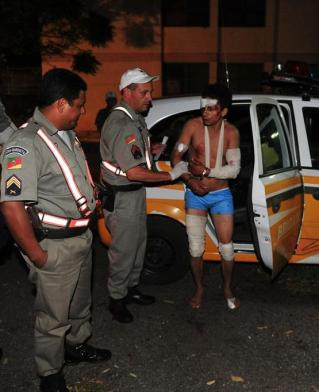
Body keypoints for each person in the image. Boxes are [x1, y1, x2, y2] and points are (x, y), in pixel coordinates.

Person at [0, 68, 111, 392]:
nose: (82, 111)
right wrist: (38, 255)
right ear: (62, 103)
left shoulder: (64, 134)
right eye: (79, 105)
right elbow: (11, 205)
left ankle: (76, 346)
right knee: (52, 317)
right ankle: (50, 374)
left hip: (80, 238)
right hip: (55, 246)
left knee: (79, 304)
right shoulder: (25, 142)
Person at [100, 67, 188, 323]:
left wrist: (152, 149)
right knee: (124, 251)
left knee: (138, 246)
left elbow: (134, 152)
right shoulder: (121, 122)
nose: (150, 97)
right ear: (127, 93)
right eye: (145, 92)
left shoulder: (134, 118)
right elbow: (135, 172)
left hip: (133, 196)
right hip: (123, 197)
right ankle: (116, 299)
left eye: (150, 91)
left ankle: (131, 289)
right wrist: (171, 175)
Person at [171, 83, 241, 310]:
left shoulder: (231, 132)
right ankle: (199, 288)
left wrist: (208, 172)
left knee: (227, 248)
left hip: (220, 194)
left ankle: (228, 288)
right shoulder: (192, 126)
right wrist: (190, 180)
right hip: (195, 194)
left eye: (212, 108)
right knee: (195, 248)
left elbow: (234, 170)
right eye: (204, 107)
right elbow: (176, 155)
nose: (205, 112)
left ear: (223, 111)